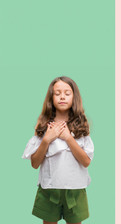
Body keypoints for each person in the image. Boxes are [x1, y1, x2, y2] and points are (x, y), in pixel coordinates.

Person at [22, 76, 94, 224]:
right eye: (57, 93)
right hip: (49, 190)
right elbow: (34, 163)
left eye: (67, 93)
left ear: (74, 97)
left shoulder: (81, 126)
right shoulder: (43, 126)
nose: (62, 96)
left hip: (75, 190)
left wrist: (68, 138)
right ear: (51, 97)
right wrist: (47, 139)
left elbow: (86, 162)